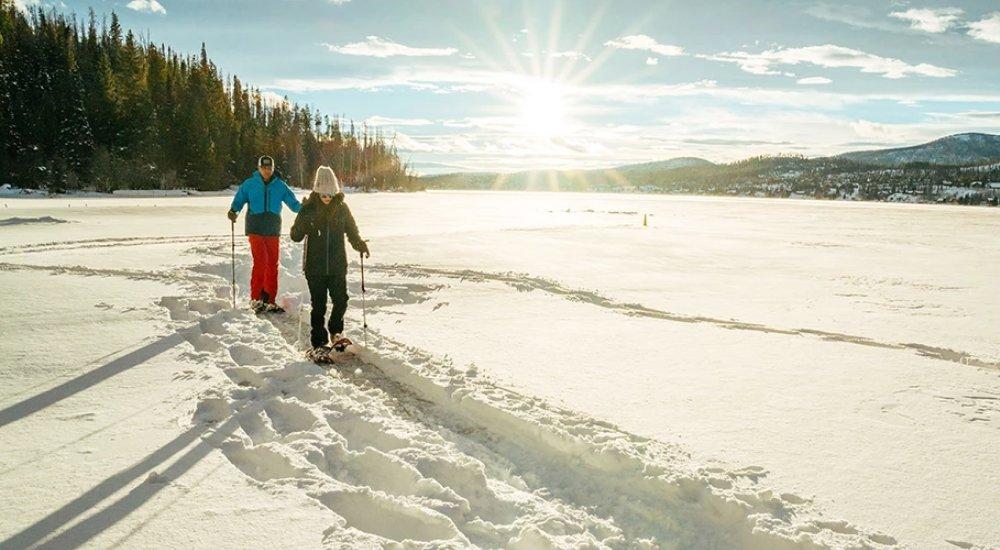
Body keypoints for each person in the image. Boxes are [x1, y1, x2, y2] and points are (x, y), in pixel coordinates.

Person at [290, 166, 370, 356]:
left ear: (335, 191)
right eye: (323, 193)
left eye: (330, 194)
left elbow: (351, 231)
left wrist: (359, 244)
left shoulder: (342, 208)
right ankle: (319, 342)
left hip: (336, 265)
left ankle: (335, 331)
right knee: (319, 305)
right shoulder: (308, 208)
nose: (327, 197)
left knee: (341, 300)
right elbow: (295, 236)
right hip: (314, 267)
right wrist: (304, 222)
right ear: (317, 190)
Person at [228, 155, 302, 313]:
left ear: (273, 169)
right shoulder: (249, 184)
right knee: (261, 260)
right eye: (264, 168)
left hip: (273, 228)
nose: (267, 171)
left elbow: (294, 204)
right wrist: (234, 210)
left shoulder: (280, 186)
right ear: (259, 168)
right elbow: (239, 199)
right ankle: (256, 298)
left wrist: (305, 208)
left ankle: (269, 299)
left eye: (269, 168)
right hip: (255, 227)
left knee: (273, 263)